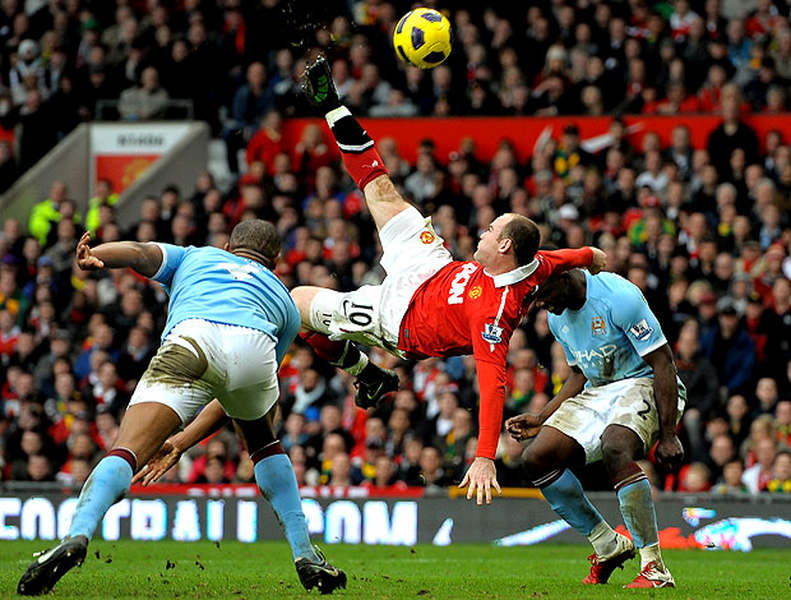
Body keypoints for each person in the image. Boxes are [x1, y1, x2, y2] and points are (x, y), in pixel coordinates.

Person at [293, 56, 607, 506]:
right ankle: (332, 105)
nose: (484, 230)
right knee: (380, 188)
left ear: (503, 249)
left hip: (400, 319)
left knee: (296, 303)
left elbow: (492, 382)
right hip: (430, 265)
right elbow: (566, 257)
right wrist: (593, 256)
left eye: (492, 229)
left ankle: (368, 374)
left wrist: (485, 457)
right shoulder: (530, 262)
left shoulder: (493, 313)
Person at [17, 221, 346, 596]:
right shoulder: (284, 301)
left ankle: (77, 535)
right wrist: (182, 442)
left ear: (226, 245)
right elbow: (235, 391)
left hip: (192, 338)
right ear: (277, 260)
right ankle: (305, 554)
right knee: (262, 440)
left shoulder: (198, 256)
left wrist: (98, 256)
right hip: (254, 348)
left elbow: (140, 253)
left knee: (127, 450)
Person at [506, 269, 685, 589]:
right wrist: (543, 416)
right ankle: (607, 545)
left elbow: (662, 361)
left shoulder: (619, 297)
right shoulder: (558, 318)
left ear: (562, 278)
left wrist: (669, 434)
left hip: (643, 381)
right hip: (600, 391)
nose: (542, 304)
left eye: (544, 295)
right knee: (537, 457)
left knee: (615, 446)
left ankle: (654, 567)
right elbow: (578, 375)